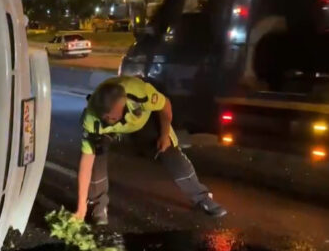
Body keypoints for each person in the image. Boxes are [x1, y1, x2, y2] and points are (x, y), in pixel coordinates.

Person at [74, 76, 227, 225]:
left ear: (124, 103)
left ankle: (202, 198)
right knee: (96, 158)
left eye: (113, 117)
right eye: (106, 117)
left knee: (170, 154)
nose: (110, 120)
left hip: (143, 122)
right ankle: (97, 208)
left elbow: (165, 105)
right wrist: (81, 208)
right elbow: (86, 164)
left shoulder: (140, 93)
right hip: (108, 132)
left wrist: (164, 134)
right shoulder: (92, 119)